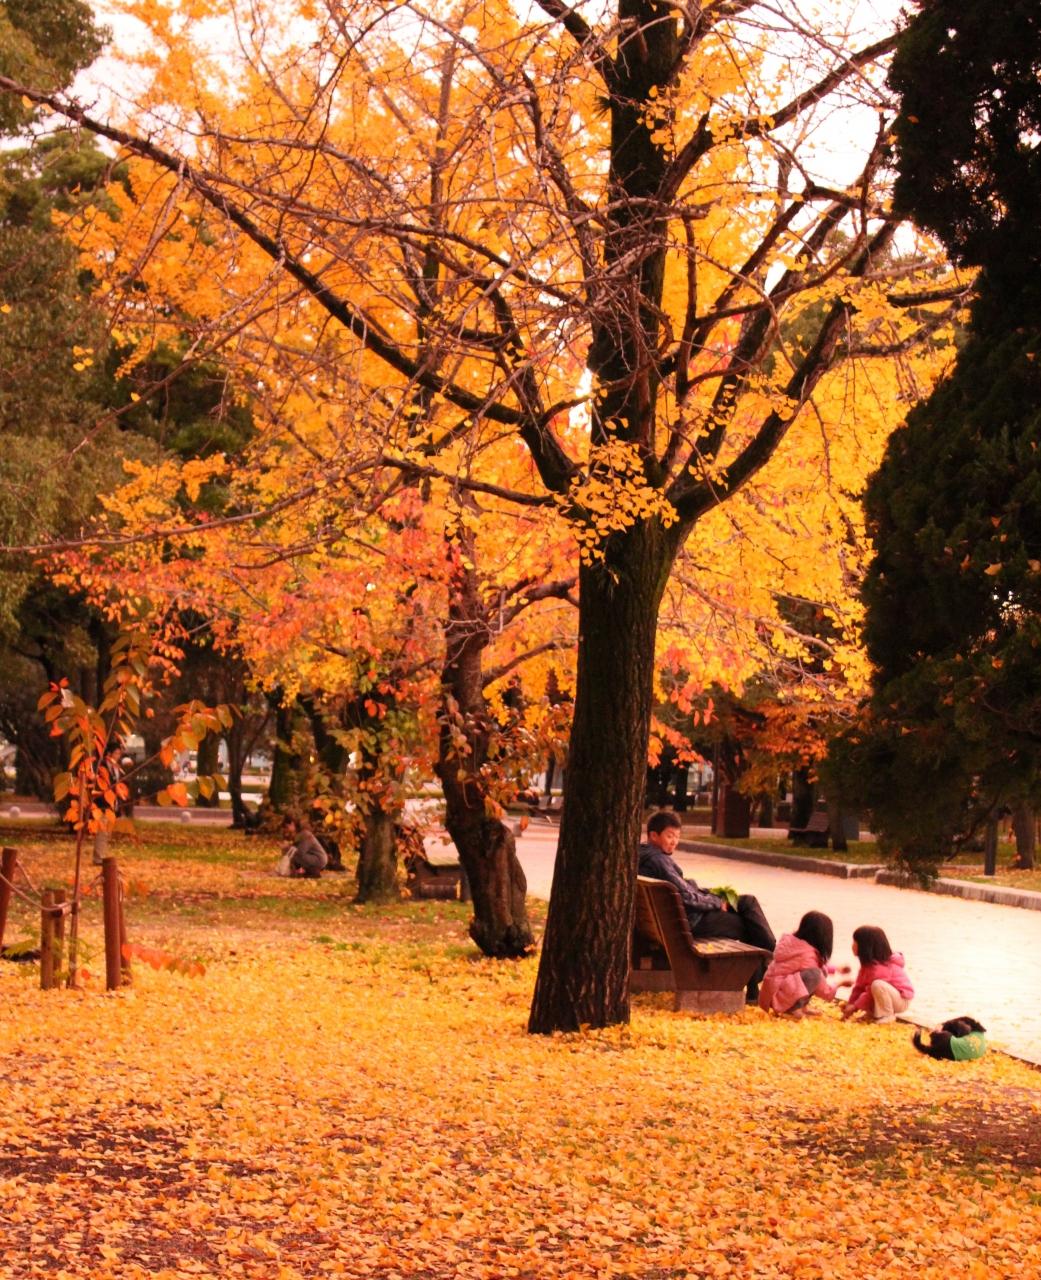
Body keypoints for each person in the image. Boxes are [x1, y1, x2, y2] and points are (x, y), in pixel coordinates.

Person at [637, 810, 776, 1000]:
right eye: (670, 836)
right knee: (747, 920)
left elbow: (683, 889)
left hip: (675, 921)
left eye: (677, 836)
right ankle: (771, 954)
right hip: (691, 922)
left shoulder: (645, 855)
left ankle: (765, 964)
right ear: (654, 835)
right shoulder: (658, 860)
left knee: (746, 904)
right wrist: (716, 903)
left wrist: (711, 895)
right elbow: (686, 896)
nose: (674, 841)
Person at [758, 910, 849, 1017]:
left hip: (773, 992)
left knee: (818, 972)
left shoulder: (797, 945)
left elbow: (815, 965)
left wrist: (837, 969)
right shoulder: (807, 955)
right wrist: (840, 984)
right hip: (777, 996)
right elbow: (824, 991)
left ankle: (802, 1006)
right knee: (814, 974)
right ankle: (792, 1008)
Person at [841, 925, 914, 1024]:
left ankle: (887, 1015)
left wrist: (855, 1007)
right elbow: (859, 988)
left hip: (901, 1000)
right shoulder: (866, 966)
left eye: (855, 942)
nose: (852, 945)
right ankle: (873, 1014)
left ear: (865, 946)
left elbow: (869, 994)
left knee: (876, 985)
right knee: (871, 988)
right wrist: (850, 1004)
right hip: (887, 997)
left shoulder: (880, 968)